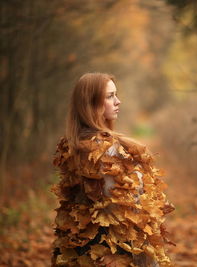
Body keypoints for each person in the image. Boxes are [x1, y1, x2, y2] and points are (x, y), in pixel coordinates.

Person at [51, 73, 174, 267]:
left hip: (81, 249)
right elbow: (126, 209)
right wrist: (143, 258)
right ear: (90, 104)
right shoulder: (107, 149)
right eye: (109, 96)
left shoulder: (72, 145)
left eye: (115, 95)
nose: (118, 101)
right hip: (113, 251)